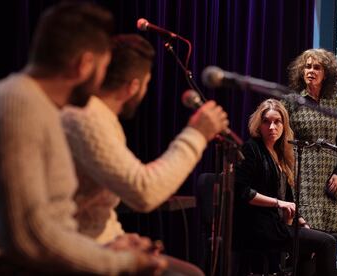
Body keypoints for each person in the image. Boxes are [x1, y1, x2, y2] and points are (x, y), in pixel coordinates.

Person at [0, 2, 167, 275]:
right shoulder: (17, 105)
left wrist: (106, 249)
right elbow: (29, 238)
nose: (103, 79)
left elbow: (54, 227)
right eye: (104, 68)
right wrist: (123, 262)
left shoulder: (39, 106)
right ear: (84, 65)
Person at [61, 34, 228, 275]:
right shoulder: (88, 118)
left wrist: (125, 238)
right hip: (84, 251)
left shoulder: (101, 118)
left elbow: (97, 208)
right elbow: (144, 192)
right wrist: (197, 134)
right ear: (134, 87)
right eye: (148, 83)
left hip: (104, 241)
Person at [233, 99, 337, 276]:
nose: (272, 127)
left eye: (277, 122)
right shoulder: (251, 149)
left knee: (313, 244)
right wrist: (278, 203)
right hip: (256, 227)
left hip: (275, 225)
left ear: (284, 125)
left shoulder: (281, 154)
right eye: (266, 121)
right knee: (327, 243)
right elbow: (242, 192)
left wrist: (302, 222)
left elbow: (289, 200)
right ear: (259, 124)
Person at [283, 48, 337, 232]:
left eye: (317, 67)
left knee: (329, 238)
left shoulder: (336, 103)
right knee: (308, 235)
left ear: (326, 73)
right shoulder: (291, 101)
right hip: (302, 176)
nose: (311, 71)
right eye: (307, 67)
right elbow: (282, 139)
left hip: (330, 180)